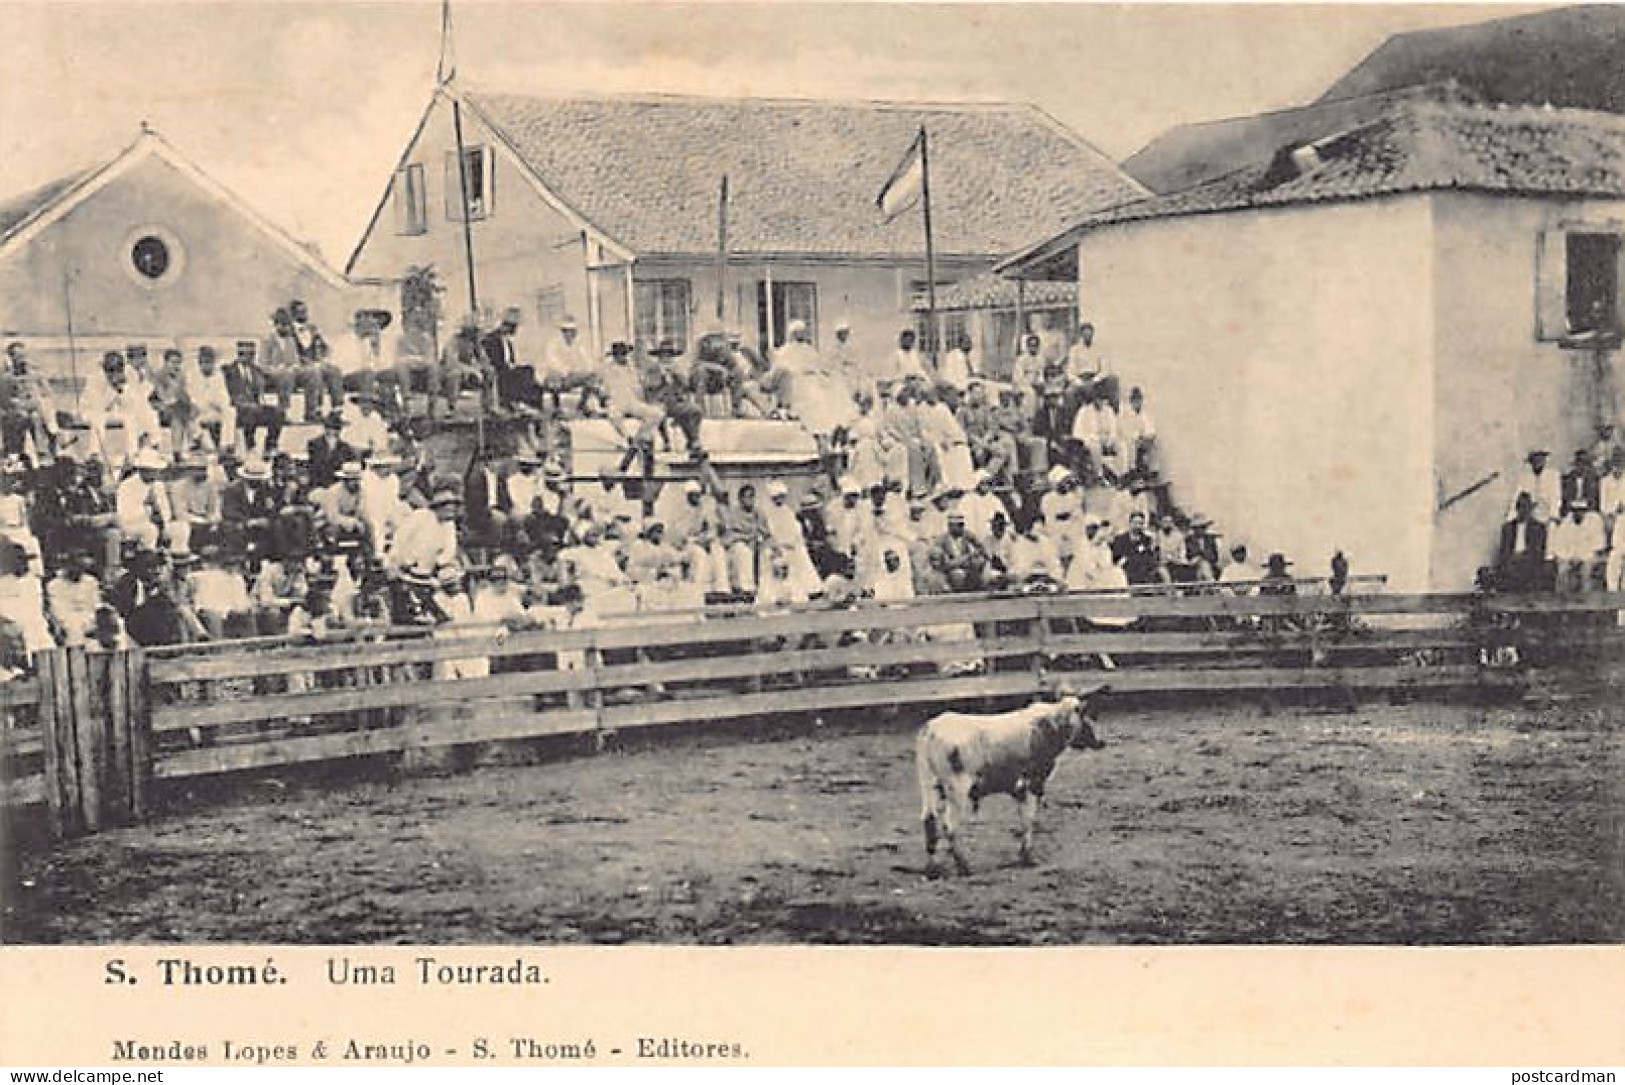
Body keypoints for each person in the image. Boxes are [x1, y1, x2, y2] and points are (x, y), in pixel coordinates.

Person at [1, 341, 57, 462]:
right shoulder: (6, 378)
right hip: (16, 413)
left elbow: (47, 393)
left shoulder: (36, 375)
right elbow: (5, 401)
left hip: (37, 410)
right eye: (18, 357)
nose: (22, 361)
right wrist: (22, 406)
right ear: (11, 358)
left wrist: (40, 403)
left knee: (37, 417)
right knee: (23, 418)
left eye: (24, 356)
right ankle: (16, 456)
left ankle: (44, 454)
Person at [481, 306, 539, 411]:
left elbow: (510, 358)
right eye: (513, 327)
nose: (515, 330)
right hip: (497, 369)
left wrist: (514, 365)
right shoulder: (491, 339)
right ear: (506, 326)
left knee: (529, 370)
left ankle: (529, 405)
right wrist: (509, 366)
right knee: (512, 375)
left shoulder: (507, 341)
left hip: (507, 367)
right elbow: (494, 359)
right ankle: (514, 402)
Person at [436, 314, 494, 418]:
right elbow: (452, 362)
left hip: (468, 374)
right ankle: (451, 408)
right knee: (455, 374)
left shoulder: (475, 343)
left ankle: (488, 406)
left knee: (489, 371)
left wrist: (481, 368)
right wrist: (469, 370)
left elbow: (483, 359)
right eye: (472, 331)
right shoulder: (453, 341)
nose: (475, 334)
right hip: (447, 374)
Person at [1550, 497, 1606, 593]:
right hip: (1569, 558)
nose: (1579, 513)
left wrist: (1581, 558)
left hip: (1588, 557)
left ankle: (1587, 602)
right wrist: (1570, 558)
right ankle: (1562, 602)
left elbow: (1598, 546)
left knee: (1586, 572)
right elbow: (1560, 546)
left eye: (1581, 510)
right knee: (1562, 571)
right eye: (1576, 511)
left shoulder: (1594, 521)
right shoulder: (1566, 523)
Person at [1509, 448, 1561, 523]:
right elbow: (1516, 498)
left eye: (1540, 459)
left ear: (1544, 461)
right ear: (1531, 462)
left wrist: (1553, 516)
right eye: (1534, 460)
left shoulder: (1552, 476)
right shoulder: (1524, 478)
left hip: (1547, 517)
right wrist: (1511, 517)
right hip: (1529, 517)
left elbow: (1555, 497)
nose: (1537, 463)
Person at [1110, 510, 1161, 586]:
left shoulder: (1147, 540)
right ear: (1130, 523)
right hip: (1125, 573)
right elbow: (1117, 559)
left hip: (1143, 574)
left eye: (1140, 524)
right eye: (1135, 523)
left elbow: (1150, 558)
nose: (1138, 526)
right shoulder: (1120, 539)